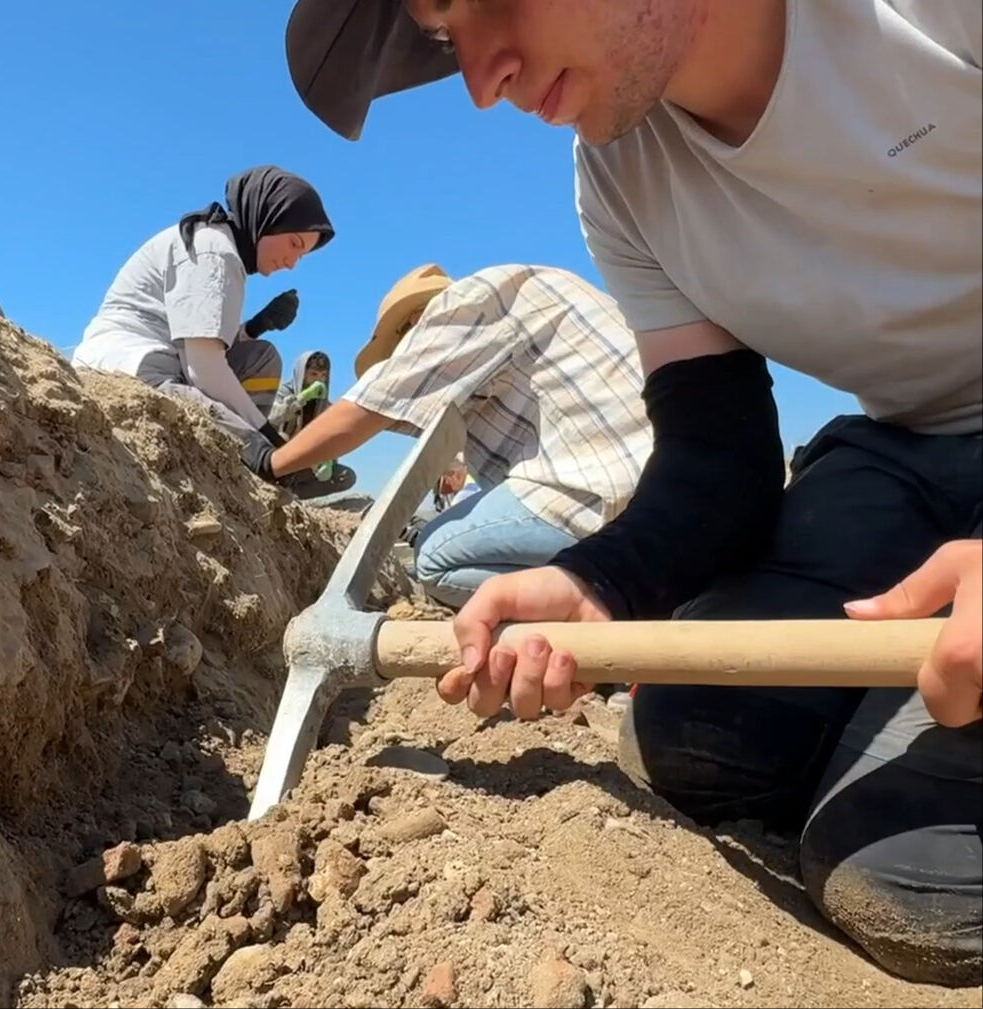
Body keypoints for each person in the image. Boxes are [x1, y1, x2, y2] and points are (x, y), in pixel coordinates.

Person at [280, 0, 982, 985]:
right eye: (447, 43)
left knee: (906, 877)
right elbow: (717, 452)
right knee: (692, 739)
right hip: (897, 452)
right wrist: (599, 579)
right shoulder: (618, 172)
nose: (482, 86)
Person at [248, 262, 653, 607]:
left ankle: (611, 607)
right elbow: (389, 413)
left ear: (413, 323)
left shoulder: (462, 305)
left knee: (436, 557)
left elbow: (370, 409)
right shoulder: (530, 298)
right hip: (670, 477)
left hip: (613, 486)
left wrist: (273, 462)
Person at [71, 165, 335, 463]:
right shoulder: (215, 251)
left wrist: (255, 327)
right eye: (294, 244)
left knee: (263, 356)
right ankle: (258, 462)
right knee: (198, 405)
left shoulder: (222, 247)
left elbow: (200, 343)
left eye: (301, 255)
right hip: (133, 363)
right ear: (267, 217)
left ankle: (248, 461)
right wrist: (264, 438)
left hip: (172, 359)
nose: (292, 263)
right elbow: (204, 368)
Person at [269, 349, 359, 495]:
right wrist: (301, 399)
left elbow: (331, 437)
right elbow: (273, 418)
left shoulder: (325, 406)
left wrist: (329, 460)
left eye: (323, 376)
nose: (318, 380)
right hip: (278, 455)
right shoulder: (283, 393)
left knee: (345, 476)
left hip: (306, 462)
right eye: (313, 374)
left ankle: (293, 494)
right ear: (302, 374)